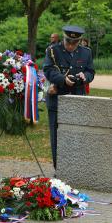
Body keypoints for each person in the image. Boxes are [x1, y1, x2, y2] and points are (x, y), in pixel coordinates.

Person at [43, 25, 94, 169]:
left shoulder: (86, 52)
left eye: (74, 43)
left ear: (79, 41)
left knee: (77, 135)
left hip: (77, 98)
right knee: (57, 136)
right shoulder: (53, 50)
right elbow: (47, 70)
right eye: (68, 42)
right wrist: (62, 79)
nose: (71, 46)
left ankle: (75, 168)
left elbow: (91, 71)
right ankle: (59, 169)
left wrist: (86, 77)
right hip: (57, 98)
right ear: (63, 39)